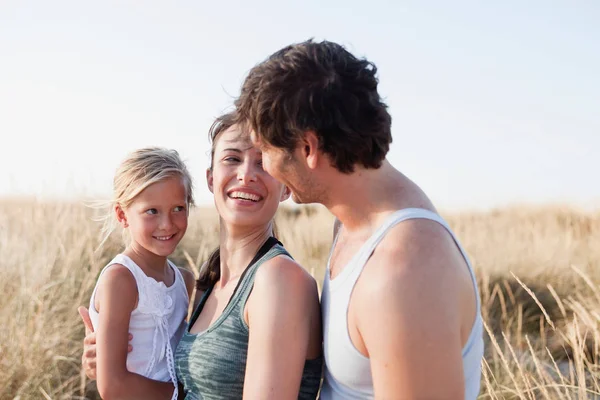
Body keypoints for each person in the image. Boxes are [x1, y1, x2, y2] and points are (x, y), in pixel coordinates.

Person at [235, 39, 484, 399]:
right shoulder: (354, 226)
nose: (267, 169)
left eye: (266, 153)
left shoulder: (405, 269)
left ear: (308, 149)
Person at [80, 113, 323, 399]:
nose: (246, 173)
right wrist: (113, 362)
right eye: (232, 158)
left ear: (286, 185)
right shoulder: (209, 281)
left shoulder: (279, 279)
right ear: (210, 178)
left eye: (263, 161)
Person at [82, 147, 197, 399]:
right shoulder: (122, 279)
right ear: (123, 215)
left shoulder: (185, 281)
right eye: (152, 211)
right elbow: (112, 385)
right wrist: (184, 394)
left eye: (178, 208)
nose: (167, 224)